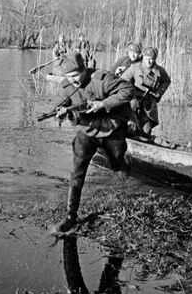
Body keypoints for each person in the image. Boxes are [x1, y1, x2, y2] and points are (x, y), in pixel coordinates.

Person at [51, 51, 137, 233]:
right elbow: (62, 104)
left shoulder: (102, 78)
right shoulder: (66, 85)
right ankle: (70, 217)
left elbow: (129, 91)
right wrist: (61, 112)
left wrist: (103, 104)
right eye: (68, 77)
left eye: (75, 77)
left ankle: (125, 181)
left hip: (111, 127)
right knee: (76, 172)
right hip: (87, 130)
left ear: (84, 70)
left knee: (116, 164)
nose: (72, 81)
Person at [120, 47, 171, 135]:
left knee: (146, 128)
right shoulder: (135, 68)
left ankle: (144, 139)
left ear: (155, 60)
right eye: (146, 59)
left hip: (149, 101)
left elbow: (166, 81)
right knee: (130, 123)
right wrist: (131, 93)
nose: (148, 62)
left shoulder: (159, 70)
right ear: (143, 57)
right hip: (134, 100)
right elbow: (123, 80)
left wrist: (159, 93)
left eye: (151, 59)